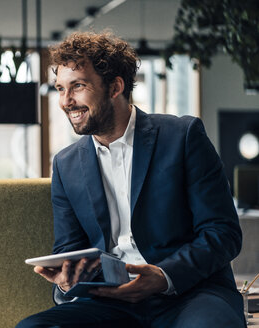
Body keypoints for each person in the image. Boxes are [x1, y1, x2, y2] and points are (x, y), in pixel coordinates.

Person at [16, 31, 245, 327]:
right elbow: (68, 250)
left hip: (190, 292)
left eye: (78, 86)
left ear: (115, 87)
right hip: (110, 301)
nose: (66, 101)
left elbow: (223, 232)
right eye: (60, 88)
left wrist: (163, 277)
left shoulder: (183, 137)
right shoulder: (65, 164)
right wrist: (65, 283)